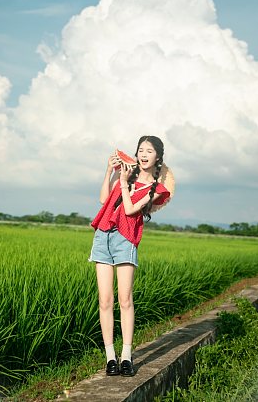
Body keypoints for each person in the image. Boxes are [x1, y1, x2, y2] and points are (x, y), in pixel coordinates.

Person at [89, 135, 174, 377]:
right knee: (105, 300)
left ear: (158, 156)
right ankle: (110, 358)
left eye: (149, 150)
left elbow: (128, 209)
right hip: (103, 236)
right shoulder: (126, 174)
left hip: (125, 240)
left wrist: (125, 183)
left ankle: (126, 355)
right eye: (140, 150)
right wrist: (109, 172)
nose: (143, 154)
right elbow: (104, 200)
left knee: (125, 300)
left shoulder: (158, 189)